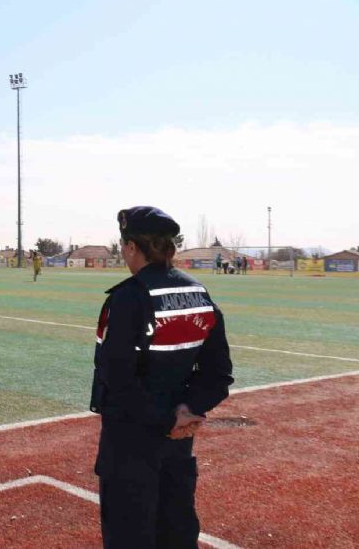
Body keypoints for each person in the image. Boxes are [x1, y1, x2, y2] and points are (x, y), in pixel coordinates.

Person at [90, 206, 234, 549]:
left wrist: (165, 419)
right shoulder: (200, 294)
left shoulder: (127, 298)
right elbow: (219, 374)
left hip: (131, 443)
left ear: (130, 248)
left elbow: (118, 379)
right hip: (178, 442)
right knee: (177, 532)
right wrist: (186, 410)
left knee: (130, 536)